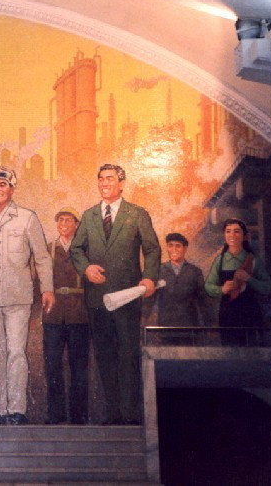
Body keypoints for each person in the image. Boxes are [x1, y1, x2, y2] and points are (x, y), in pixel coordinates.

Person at [70, 164, 160, 425]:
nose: (104, 183)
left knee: (128, 354)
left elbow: (152, 250)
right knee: (105, 355)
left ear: (122, 183)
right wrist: (86, 268)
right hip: (97, 299)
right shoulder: (88, 216)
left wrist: (149, 277)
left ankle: (131, 415)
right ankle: (114, 414)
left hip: (128, 297)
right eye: (100, 179)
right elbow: (76, 250)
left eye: (109, 179)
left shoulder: (137, 214)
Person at [0, 166, 54, 425]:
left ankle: (17, 409)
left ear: (12, 189)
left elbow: (41, 258)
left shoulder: (27, 218)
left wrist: (47, 288)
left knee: (16, 351)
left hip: (18, 297)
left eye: (2, 185)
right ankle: (1, 410)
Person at [43, 207, 89, 425]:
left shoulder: (85, 250)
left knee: (79, 368)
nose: (63, 223)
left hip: (79, 315)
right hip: (52, 317)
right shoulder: (48, 249)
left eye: (68, 219)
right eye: (59, 219)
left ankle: (79, 417)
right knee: (52, 366)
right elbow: (39, 280)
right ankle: (56, 415)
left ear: (76, 224)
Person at [205, 218, 271, 346]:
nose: (232, 235)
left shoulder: (253, 260)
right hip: (227, 315)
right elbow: (208, 286)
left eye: (236, 232)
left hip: (250, 314)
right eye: (228, 231)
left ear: (244, 235)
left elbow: (268, 287)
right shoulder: (219, 261)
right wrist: (221, 289)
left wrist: (249, 279)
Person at [155, 232, 213, 344]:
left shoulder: (195, 272)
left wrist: (209, 324)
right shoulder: (159, 271)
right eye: (170, 245)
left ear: (185, 248)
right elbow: (150, 299)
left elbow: (203, 301)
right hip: (165, 328)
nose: (174, 249)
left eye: (178, 246)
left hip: (189, 329)